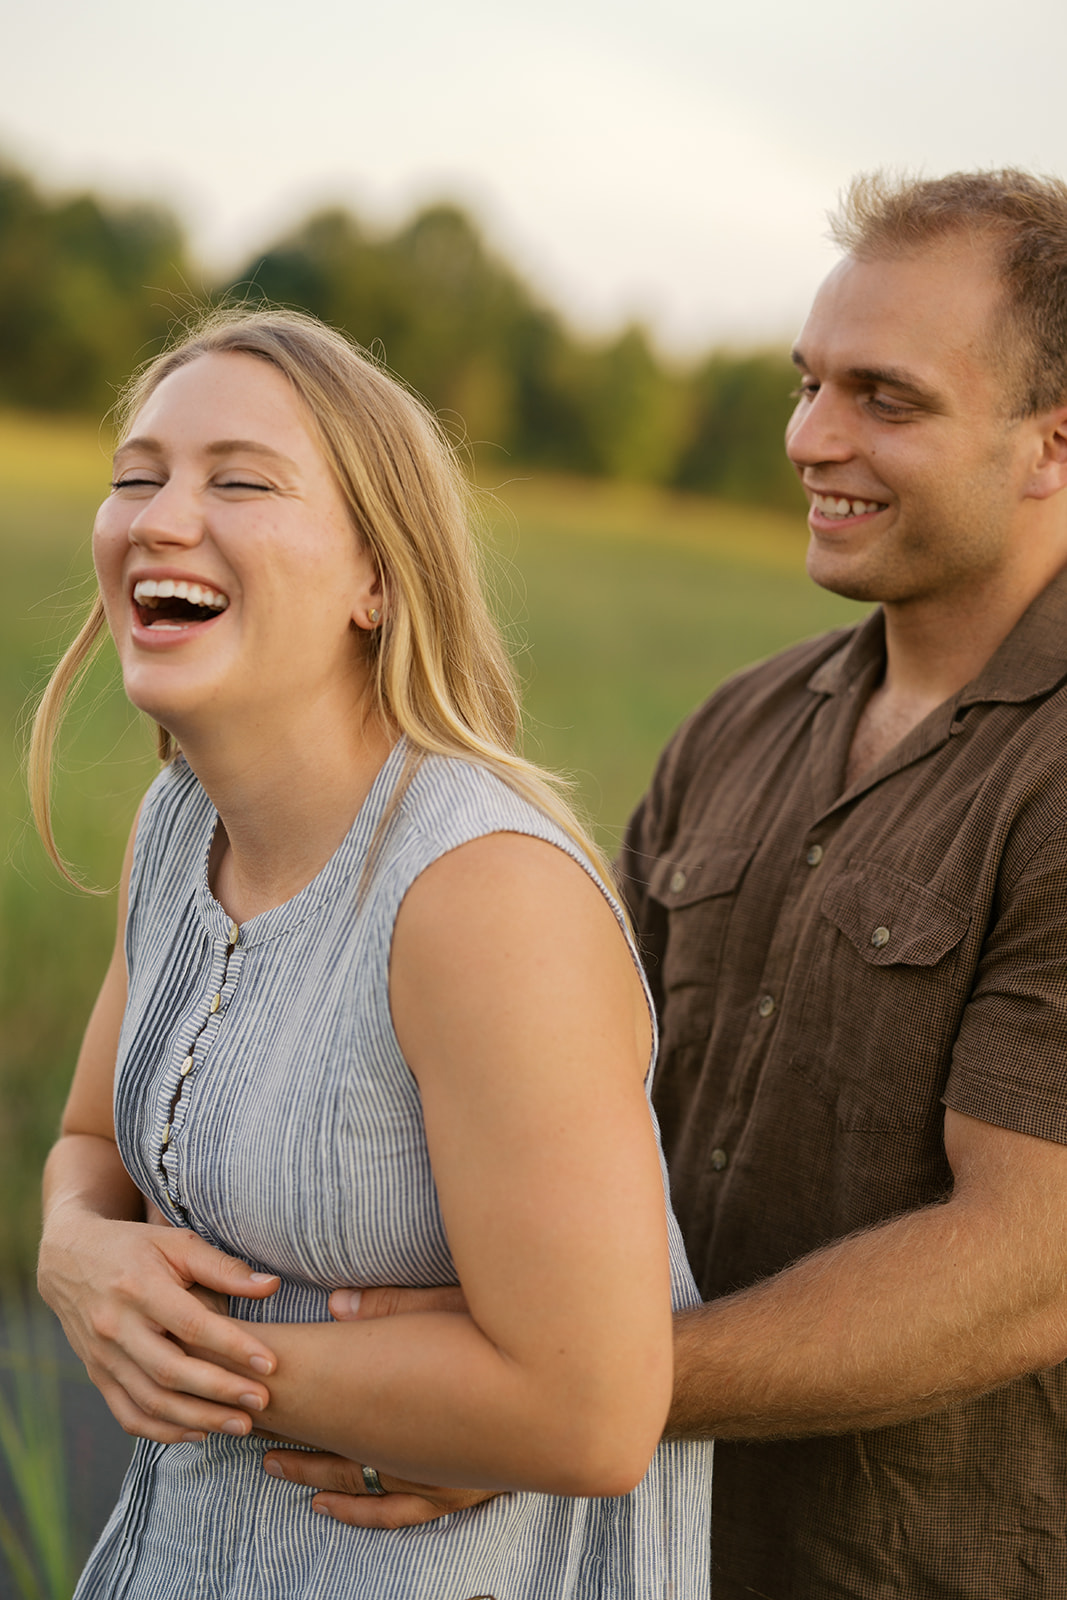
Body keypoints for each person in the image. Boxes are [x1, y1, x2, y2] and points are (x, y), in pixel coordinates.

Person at [269, 169, 1067, 1598]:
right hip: (634, 1546)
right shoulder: (743, 721)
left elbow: (1027, 1264)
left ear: (1052, 446)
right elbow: (545, 1094)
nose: (811, 438)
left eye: (886, 399)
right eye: (807, 382)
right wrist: (102, 1229)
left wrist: (565, 1398)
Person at [34, 308, 712, 1599]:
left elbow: (593, 1410)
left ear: (378, 580)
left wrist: (198, 1357)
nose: (161, 518)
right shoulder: (177, 830)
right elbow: (88, 1150)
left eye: (240, 479)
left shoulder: (481, 896)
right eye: (138, 476)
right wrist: (76, 1253)